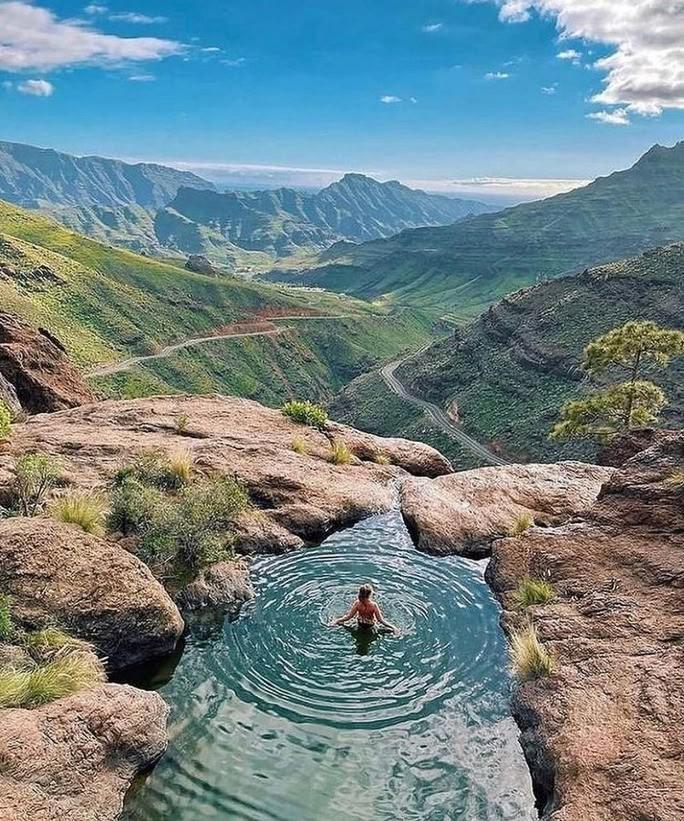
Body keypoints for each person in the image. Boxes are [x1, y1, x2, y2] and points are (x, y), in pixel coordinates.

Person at [328, 584, 399, 633]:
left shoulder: (357, 603)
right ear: (370, 595)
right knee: (386, 631)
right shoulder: (374, 605)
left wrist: (337, 621)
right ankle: (394, 630)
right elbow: (381, 620)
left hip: (360, 624)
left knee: (343, 625)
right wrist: (393, 627)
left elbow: (349, 617)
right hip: (370, 625)